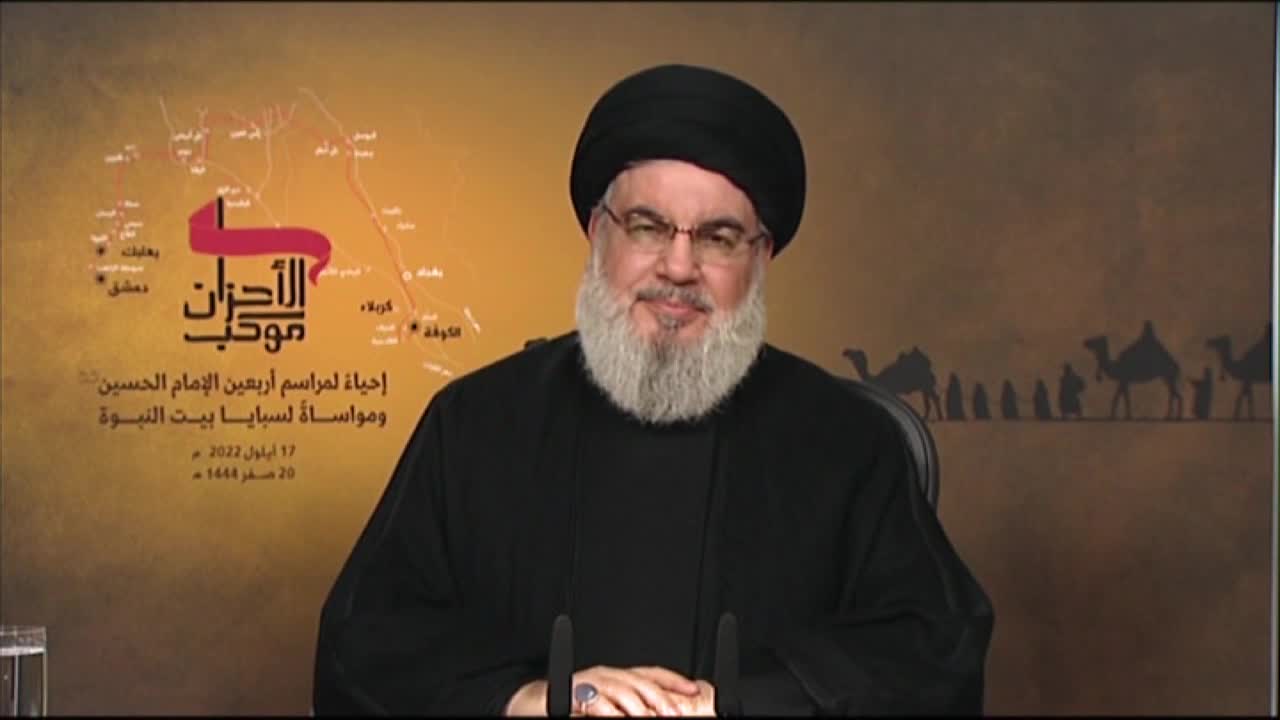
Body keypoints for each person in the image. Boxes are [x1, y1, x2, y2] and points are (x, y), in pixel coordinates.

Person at [313, 63, 994, 716]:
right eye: (648, 226)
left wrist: (737, 706)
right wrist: (523, 700)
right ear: (597, 232)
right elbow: (364, 641)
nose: (678, 266)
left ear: (761, 256)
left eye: (719, 237)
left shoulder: (846, 441)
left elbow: (934, 652)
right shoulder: (476, 423)